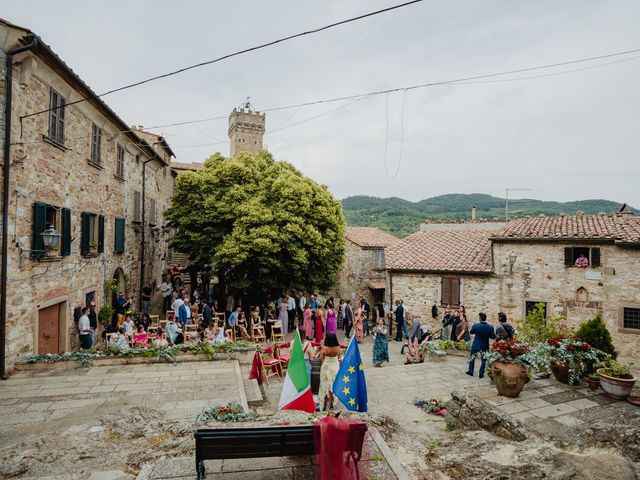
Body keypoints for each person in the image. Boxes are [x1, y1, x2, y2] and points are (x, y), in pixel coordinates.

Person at [466, 312, 496, 378]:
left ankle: (470, 371)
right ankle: (481, 374)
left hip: (476, 344)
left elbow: (471, 332)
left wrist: (473, 326)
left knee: (472, 357)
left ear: (480, 318)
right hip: (484, 345)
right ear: (485, 318)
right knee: (484, 359)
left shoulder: (476, 325)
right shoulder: (490, 327)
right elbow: (493, 337)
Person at [318, 333, 341, 411]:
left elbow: (320, 359)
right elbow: (339, 357)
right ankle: (332, 402)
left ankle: (325, 402)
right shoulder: (338, 348)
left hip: (326, 368)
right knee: (333, 385)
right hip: (335, 367)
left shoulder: (324, 348)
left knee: (325, 385)